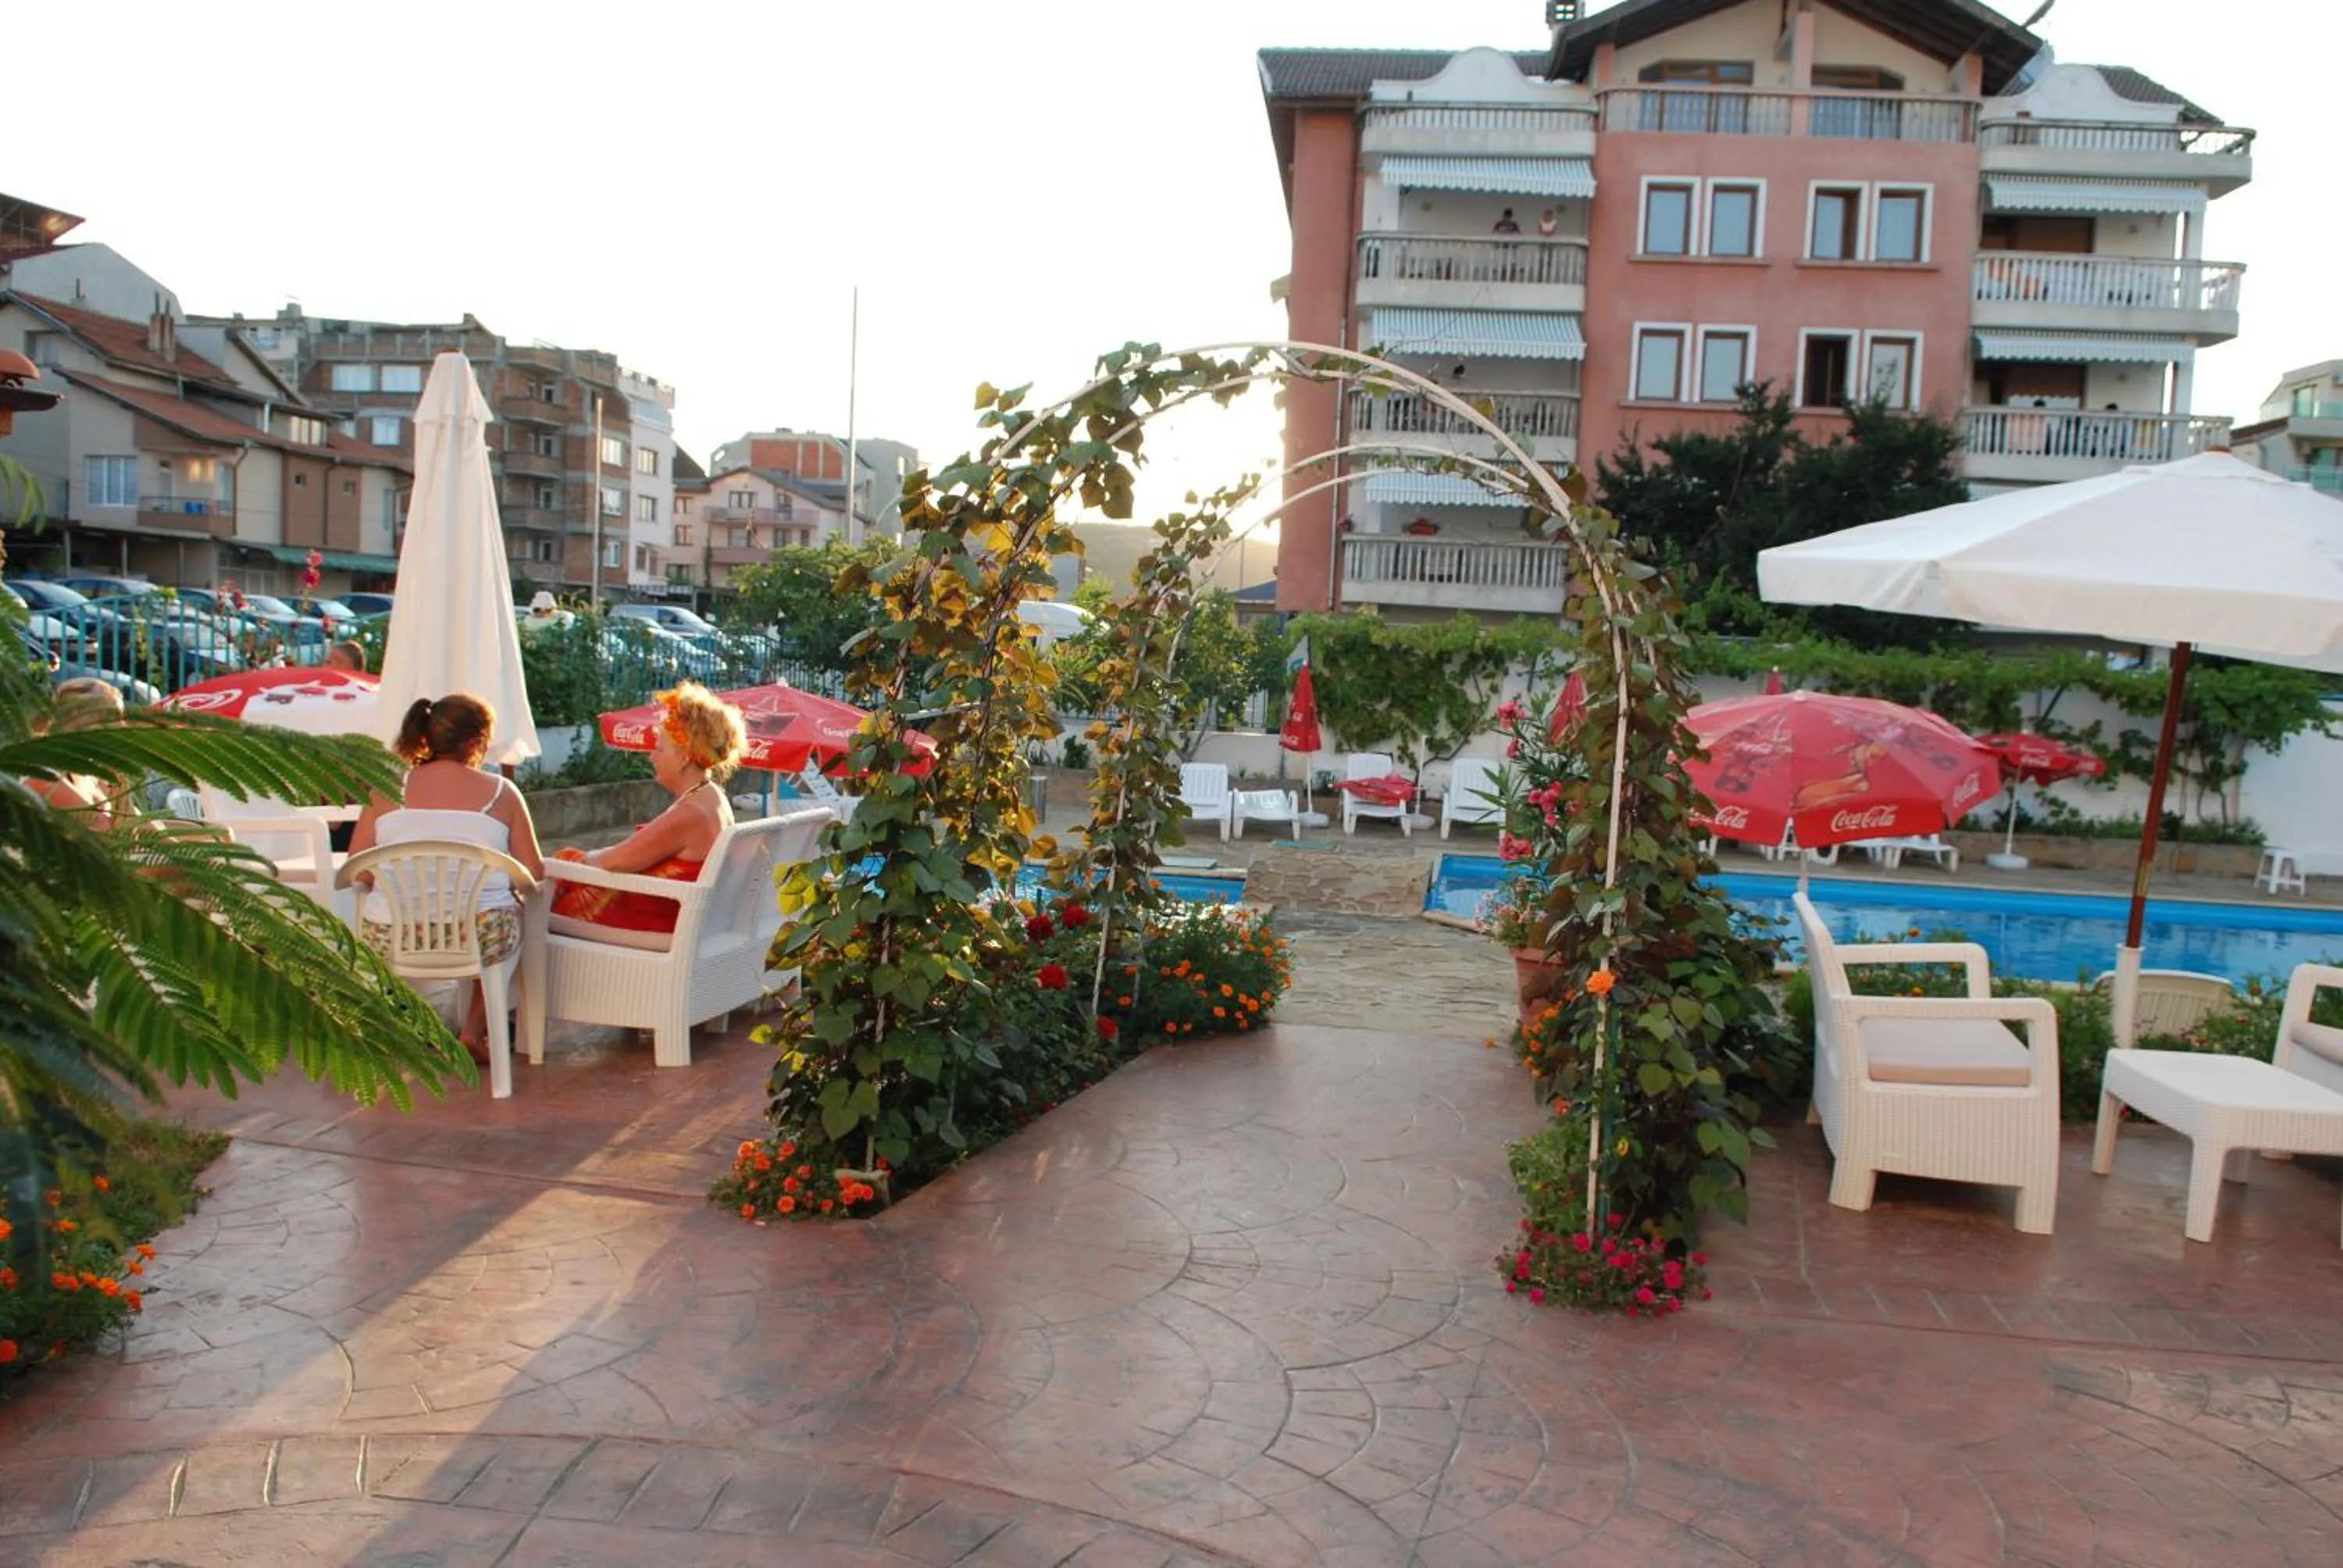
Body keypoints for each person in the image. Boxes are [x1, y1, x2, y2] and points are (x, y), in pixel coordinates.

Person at [347, 693, 544, 1060]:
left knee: (382, 911)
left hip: (393, 936)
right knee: (511, 911)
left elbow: (357, 863)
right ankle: (473, 1031)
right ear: (474, 743)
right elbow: (533, 871)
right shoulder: (503, 794)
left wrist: (403, 885)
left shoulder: (386, 789)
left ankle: (393, 1023)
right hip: (476, 939)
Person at [550, 682, 745, 939]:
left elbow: (615, 861)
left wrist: (566, 863)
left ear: (684, 756)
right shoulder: (711, 797)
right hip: (678, 916)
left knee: (541, 899)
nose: (651, 756)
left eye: (660, 748)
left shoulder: (692, 812)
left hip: (658, 921)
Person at [27, 677, 128, 829]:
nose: (121, 726)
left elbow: (140, 826)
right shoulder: (45, 776)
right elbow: (108, 832)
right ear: (77, 717)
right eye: (110, 717)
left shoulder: (89, 772)